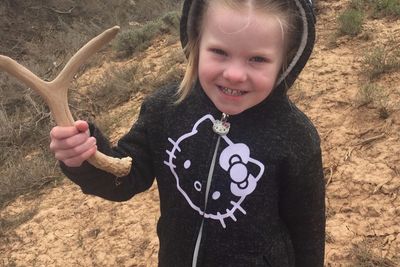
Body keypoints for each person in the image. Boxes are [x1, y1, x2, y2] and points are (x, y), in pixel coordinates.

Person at [50, 0, 325, 266]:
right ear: (196, 43)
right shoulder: (165, 108)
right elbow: (126, 176)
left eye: (257, 59)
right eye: (219, 52)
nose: (235, 74)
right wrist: (83, 155)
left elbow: (307, 235)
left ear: (284, 62)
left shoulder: (296, 137)